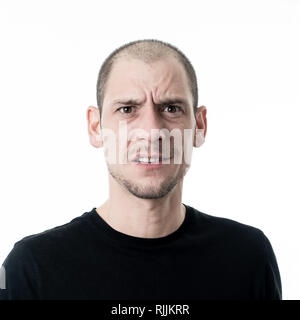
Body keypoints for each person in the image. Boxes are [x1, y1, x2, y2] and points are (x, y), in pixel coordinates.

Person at [0, 39, 282, 300]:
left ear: (199, 126)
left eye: (171, 108)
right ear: (96, 127)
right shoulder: (32, 268)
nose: (152, 131)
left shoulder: (247, 257)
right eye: (127, 110)